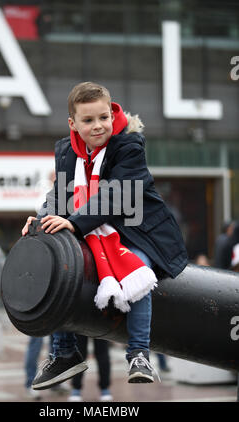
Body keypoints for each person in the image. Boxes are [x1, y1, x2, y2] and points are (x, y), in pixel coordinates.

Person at [22, 81, 188, 390]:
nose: (98, 126)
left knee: (138, 270)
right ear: (73, 123)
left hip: (137, 232)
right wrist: (41, 220)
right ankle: (65, 354)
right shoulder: (66, 153)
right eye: (88, 120)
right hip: (93, 230)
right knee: (64, 269)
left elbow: (117, 196)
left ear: (112, 114)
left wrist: (74, 223)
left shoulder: (128, 146)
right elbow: (60, 196)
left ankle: (139, 353)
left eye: (103, 117)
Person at [68, 335, 112, 402]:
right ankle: (76, 388)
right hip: (82, 325)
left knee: (102, 353)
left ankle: (104, 388)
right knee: (79, 353)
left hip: (100, 325)